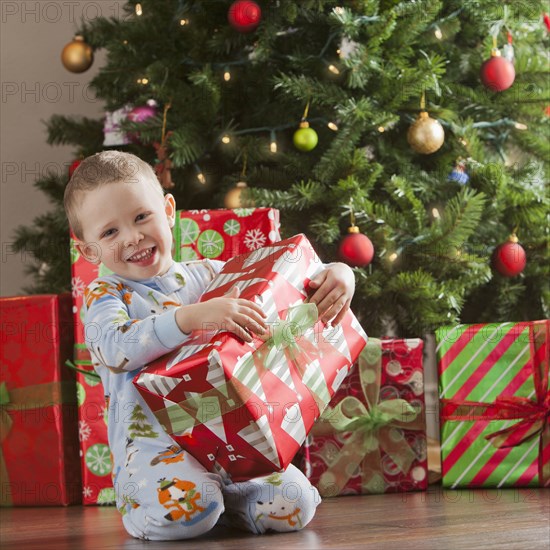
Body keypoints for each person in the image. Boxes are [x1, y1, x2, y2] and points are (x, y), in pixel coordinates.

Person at [64, 151, 356, 541]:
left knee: (296, 502)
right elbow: (115, 347)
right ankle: (151, 510)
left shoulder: (209, 273)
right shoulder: (106, 295)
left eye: (140, 217)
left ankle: (225, 503)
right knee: (189, 507)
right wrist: (190, 318)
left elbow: (281, 282)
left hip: (231, 440)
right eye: (109, 233)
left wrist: (338, 274)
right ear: (89, 251)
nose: (132, 237)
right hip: (155, 450)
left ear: (168, 210)